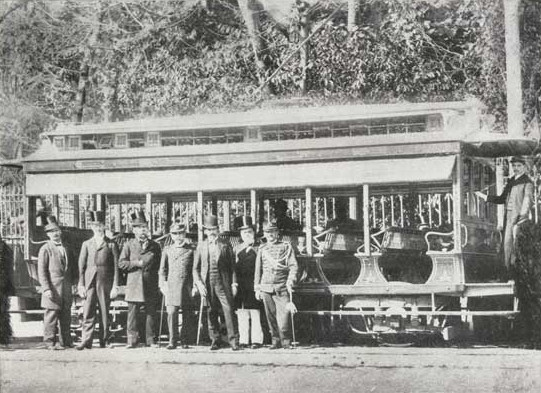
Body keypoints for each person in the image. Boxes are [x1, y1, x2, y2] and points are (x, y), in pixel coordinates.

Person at [476, 156, 534, 268]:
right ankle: (508, 271)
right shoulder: (511, 181)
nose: (516, 168)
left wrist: (521, 219)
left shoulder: (528, 182)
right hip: (508, 217)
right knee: (506, 245)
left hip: (519, 219)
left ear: (524, 167)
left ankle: (515, 271)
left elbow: (527, 201)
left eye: (519, 166)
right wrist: (484, 196)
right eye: (514, 166)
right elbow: (502, 199)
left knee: (515, 246)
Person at [193, 215, 240, 351]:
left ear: (217, 229)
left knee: (228, 310)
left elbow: (232, 267)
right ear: (205, 231)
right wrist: (199, 284)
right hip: (207, 282)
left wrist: (234, 284)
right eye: (208, 229)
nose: (211, 232)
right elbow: (195, 269)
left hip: (223, 282)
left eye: (213, 229)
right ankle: (215, 340)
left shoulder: (225, 245)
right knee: (211, 311)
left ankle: (234, 341)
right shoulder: (201, 246)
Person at [76, 211, 119, 350]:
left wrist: (115, 286)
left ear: (104, 226)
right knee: (88, 311)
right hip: (89, 282)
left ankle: (104, 340)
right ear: (91, 227)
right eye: (95, 226)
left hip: (105, 282)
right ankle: (86, 341)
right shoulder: (86, 244)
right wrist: (81, 285)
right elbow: (81, 266)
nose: (98, 228)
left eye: (100, 225)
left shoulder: (111, 244)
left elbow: (116, 267)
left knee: (104, 311)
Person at [118, 210, 161, 348]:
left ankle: (150, 340)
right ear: (134, 230)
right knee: (133, 314)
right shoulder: (129, 245)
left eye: (144, 227)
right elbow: (121, 263)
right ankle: (132, 341)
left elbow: (159, 266)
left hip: (150, 283)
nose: (143, 230)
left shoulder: (155, 246)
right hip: (134, 283)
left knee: (151, 312)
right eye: (139, 228)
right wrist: (136, 263)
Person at [254, 221, 298, 349]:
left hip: (281, 286)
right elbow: (258, 269)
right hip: (266, 287)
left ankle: (286, 341)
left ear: (277, 233)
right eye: (267, 232)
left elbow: (293, 266)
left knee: (283, 318)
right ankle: (275, 341)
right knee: (271, 317)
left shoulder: (286, 247)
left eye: (272, 232)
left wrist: (290, 280)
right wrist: (257, 288)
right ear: (264, 234)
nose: (270, 235)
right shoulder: (262, 249)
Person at [37, 216, 77, 350]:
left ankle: (66, 341)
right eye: (51, 231)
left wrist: (74, 284)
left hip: (65, 288)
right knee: (51, 315)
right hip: (52, 288)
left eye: (57, 230)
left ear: (60, 231)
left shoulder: (67, 248)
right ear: (48, 234)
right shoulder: (45, 249)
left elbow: (72, 268)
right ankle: (49, 342)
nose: (55, 233)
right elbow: (41, 271)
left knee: (66, 315)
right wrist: (46, 289)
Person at [159, 220, 195, 350]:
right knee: (171, 312)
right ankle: (172, 340)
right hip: (171, 286)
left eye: (180, 233)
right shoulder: (167, 250)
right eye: (175, 234)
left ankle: (184, 340)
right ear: (171, 235)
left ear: (184, 234)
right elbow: (162, 270)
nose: (178, 237)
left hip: (186, 285)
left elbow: (195, 269)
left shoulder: (191, 249)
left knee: (187, 312)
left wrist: (195, 286)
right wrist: (162, 284)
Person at [234, 216, 264, 349]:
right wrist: (234, 284)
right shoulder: (236, 249)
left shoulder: (260, 248)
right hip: (241, 285)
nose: (247, 234)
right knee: (242, 313)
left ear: (254, 233)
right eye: (244, 232)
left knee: (255, 312)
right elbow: (232, 269)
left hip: (254, 284)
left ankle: (257, 340)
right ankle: (243, 340)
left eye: (250, 232)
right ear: (240, 234)